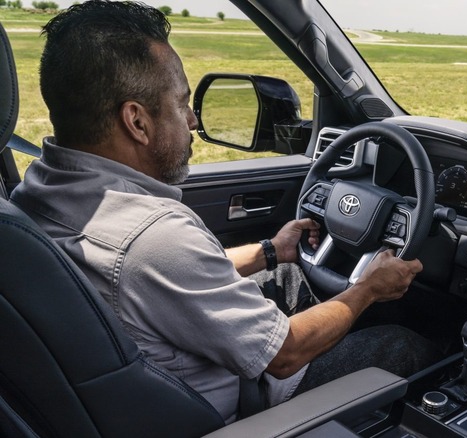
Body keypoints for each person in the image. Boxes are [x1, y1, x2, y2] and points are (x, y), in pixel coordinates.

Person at [10, 0, 439, 424]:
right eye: (181, 103)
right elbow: (285, 355)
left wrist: (272, 250)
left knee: (288, 275)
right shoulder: (153, 235)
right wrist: (368, 289)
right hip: (243, 411)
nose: (193, 120)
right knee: (401, 345)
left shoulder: (37, 190)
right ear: (136, 122)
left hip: (149, 380)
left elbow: (157, 278)